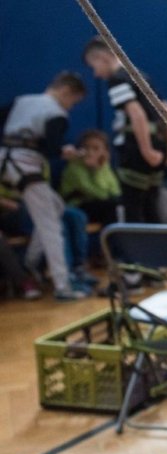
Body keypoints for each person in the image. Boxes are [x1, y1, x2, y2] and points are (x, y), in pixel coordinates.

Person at [0, 71, 91, 300]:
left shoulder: (21, 101)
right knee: (51, 225)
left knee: (57, 208)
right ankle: (63, 285)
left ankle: (30, 262)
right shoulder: (56, 113)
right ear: (66, 92)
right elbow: (51, 149)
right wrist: (67, 151)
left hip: (4, 157)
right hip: (26, 165)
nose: (71, 106)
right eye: (73, 101)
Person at [83, 36, 167, 223]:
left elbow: (136, 114)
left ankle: (139, 251)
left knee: (133, 206)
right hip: (159, 143)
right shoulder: (140, 75)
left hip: (136, 148)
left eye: (94, 66)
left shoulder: (117, 79)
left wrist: (146, 149)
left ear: (103, 57)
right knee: (152, 204)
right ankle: (159, 249)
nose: (96, 74)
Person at [61, 129, 121, 226]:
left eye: (96, 148)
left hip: (100, 206)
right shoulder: (74, 166)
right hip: (77, 206)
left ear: (105, 151)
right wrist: (95, 170)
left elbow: (115, 192)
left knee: (118, 207)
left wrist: (98, 168)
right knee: (110, 207)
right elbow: (97, 193)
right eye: (86, 147)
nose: (90, 152)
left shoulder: (104, 166)